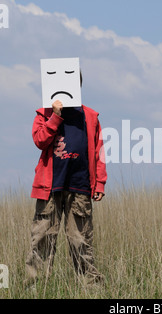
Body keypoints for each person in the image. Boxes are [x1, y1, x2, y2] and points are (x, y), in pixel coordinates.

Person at [25, 73, 107, 286]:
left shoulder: (89, 115)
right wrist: (55, 116)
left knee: (81, 241)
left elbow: (98, 151)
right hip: (49, 187)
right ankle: (36, 288)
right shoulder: (44, 113)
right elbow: (39, 140)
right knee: (42, 239)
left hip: (80, 185)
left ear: (78, 85)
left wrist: (99, 182)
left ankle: (91, 288)